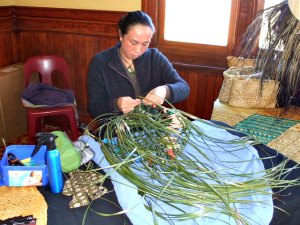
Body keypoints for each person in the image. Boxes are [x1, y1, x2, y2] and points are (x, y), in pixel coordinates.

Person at [87, 11, 190, 119]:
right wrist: (116, 104)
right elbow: (94, 107)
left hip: (152, 126)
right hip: (117, 130)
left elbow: (184, 87)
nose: (138, 50)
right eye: (134, 42)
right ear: (121, 35)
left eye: (145, 44)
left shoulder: (154, 58)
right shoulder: (100, 63)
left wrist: (165, 90)